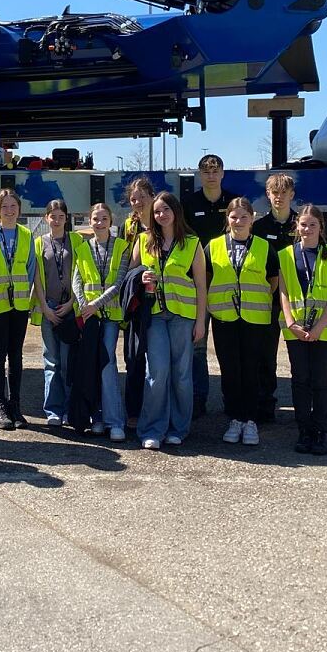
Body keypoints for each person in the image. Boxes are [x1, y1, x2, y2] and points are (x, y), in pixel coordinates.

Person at [131, 191, 207, 449]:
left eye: (165, 210)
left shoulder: (193, 243)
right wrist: (140, 277)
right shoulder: (143, 241)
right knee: (157, 373)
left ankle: (178, 428)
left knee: (182, 375)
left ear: (176, 212)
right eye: (156, 212)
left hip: (183, 316)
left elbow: (200, 286)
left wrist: (200, 322)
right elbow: (130, 274)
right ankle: (152, 428)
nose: (161, 215)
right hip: (154, 316)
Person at [208, 197, 278, 446]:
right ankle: (235, 418)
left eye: (243, 217)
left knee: (251, 369)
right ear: (227, 219)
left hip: (254, 317)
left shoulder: (262, 246)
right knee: (230, 370)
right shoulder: (214, 246)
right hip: (225, 316)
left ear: (252, 219)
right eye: (233, 217)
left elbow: (273, 279)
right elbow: (206, 277)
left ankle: (250, 420)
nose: (238, 222)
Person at [278, 204, 327, 455]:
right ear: (297, 226)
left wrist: (319, 327)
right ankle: (303, 430)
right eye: (303, 224)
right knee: (300, 380)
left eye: (312, 225)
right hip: (295, 328)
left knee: (320, 381)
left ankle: (320, 431)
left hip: (323, 330)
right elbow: (283, 291)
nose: (307, 229)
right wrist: (291, 322)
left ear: (321, 227)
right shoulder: (285, 254)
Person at [181, 154, 240, 419]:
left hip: (228, 284)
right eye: (205, 171)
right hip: (199, 285)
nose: (211, 175)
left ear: (223, 173)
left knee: (230, 349)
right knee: (198, 346)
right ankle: (198, 400)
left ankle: (233, 401)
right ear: (199, 175)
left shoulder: (234, 203)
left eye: (215, 170)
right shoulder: (189, 204)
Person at [72, 203, 132, 441]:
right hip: (90, 318)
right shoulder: (83, 247)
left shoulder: (122, 247)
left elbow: (118, 283)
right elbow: (77, 280)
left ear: (111, 221)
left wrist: (94, 305)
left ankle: (114, 421)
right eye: (95, 218)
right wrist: (84, 306)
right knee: (91, 365)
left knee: (108, 365)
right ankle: (96, 417)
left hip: (109, 316)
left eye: (104, 218)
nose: (99, 222)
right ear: (90, 220)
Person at [0, 189, 36, 431]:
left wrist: (24, 293)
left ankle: (15, 405)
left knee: (17, 355)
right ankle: (0, 405)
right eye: (5, 207)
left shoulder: (26, 235)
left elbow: (30, 270)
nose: (9, 211)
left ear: (19, 209)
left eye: (13, 206)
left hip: (19, 304)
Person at [251, 172, 298, 422]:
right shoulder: (259, 228)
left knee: (298, 356)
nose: (279, 198)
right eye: (274, 193)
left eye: (284, 193)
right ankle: (265, 405)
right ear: (268, 195)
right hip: (267, 299)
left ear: (292, 194)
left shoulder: (302, 224)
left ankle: (303, 407)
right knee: (265, 355)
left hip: (298, 300)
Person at [34, 199, 80, 427]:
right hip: (49, 308)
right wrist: (44, 307)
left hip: (70, 307)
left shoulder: (77, 241)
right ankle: (53, 409)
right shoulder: (39, 243)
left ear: (66, 218)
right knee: (51, 361)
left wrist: (72, 302)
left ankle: (71, 408)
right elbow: (36, 279)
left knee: (68, 362)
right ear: (46, 218)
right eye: (53, 216)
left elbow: (83, 273)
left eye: (61, 216)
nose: (57, 220)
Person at [121, 177, 155, 422]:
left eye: (143, 197)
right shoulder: (129, 227)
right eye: (134, 199)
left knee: (157, 357)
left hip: (159, 298)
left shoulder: (164, 221)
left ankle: (155, 406)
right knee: (133, 355)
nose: (138, 202)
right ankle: (133, 408)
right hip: (135, 297)